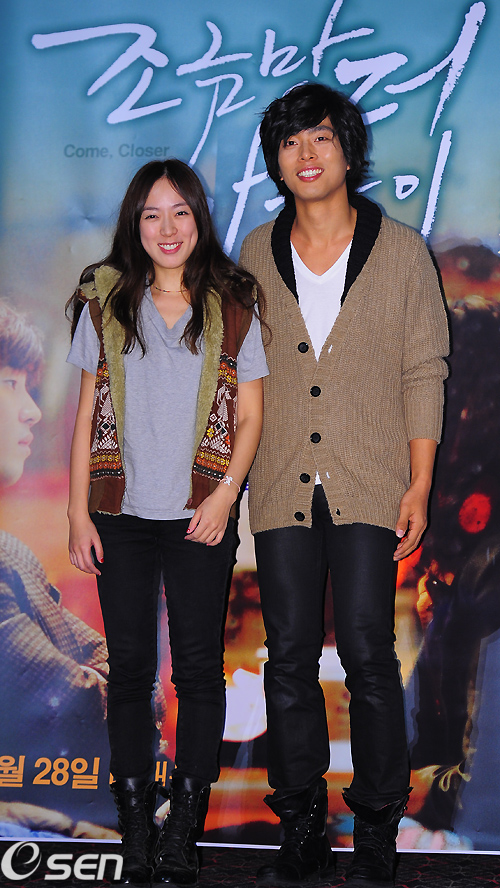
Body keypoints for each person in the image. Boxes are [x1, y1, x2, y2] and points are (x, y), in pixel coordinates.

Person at [239, 83, 449, 888]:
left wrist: (419, 484)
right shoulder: (256, 251)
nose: (307, 154)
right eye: (291, 141)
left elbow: (424, 369)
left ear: (348, 151)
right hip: (281, 476)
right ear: (276, 160)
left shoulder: (400, 252)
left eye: (321, 137)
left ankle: (376, 830)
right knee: (288, 656)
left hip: (370, 477)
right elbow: (241, 372)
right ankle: (299, 827)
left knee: (367, 653)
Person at [66, 158, 267, 887]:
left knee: (198, 671)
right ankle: (134, 833)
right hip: (118, 512)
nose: (167, 227)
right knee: (129, 673)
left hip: (199, 515)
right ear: (136, 225)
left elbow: (250, 416)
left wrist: (223, 498)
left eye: (180, 211)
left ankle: (182, 829)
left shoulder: (234, 302)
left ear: (198, 219)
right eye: (152, 214)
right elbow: (85, 413)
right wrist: (76, 512)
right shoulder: (104, 301)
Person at [0, 300, 110, 826]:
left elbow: (118, 673)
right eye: (10, 384)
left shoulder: (12, 553)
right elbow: (69, 701)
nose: (33, 412)